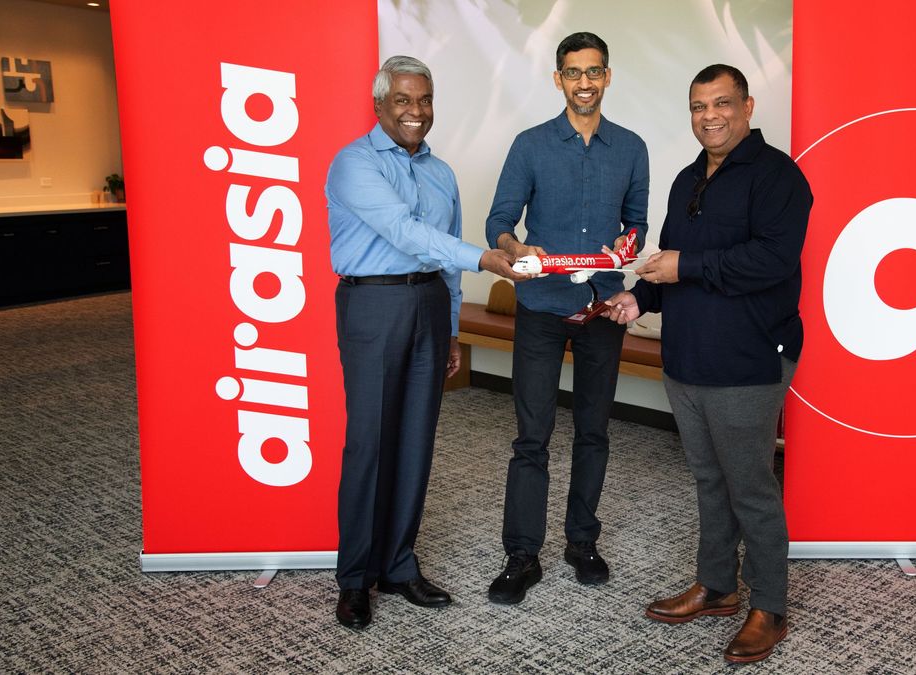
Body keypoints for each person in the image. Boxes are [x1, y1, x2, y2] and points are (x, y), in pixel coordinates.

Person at [605, 64, 811, 663]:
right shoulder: (688, 177)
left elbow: (770, 262)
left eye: (722, 104)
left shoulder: (779, 177)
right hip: (687, 358)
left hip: (748, 360)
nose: (710, 116)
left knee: (751, 488)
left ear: (747, 107)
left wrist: (682, 268)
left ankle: (769, 605)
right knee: (709, 479)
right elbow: (673, 262)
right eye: (699, 107)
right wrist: (639, 296)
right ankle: (718, 586)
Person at [325, 55, 528, 630]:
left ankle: (398, 564)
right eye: (403, 101)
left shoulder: (442, 173)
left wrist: (453, 330)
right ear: (380, 105)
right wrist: (487, 257)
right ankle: (355, 578)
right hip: (374, 303)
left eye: (425, 100)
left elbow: (443, 256)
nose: (416, 112)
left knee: (416, 440)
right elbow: (406, 233)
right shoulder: (354, 164)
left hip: (429, 306)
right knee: (370, 442)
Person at [484, 32, 649, 604]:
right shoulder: (530, 145)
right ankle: (522, 555)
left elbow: (637, 223)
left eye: (594, 71)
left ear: (607, 76)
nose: (584, 82)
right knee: (532, 436)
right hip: (541, 309)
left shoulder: (631, 148)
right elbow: (499, 221)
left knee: (594, 431)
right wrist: (514, 249)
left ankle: (582, 542)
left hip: (601, 309)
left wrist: (627, 247)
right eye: (573, 72)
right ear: (558, 79)